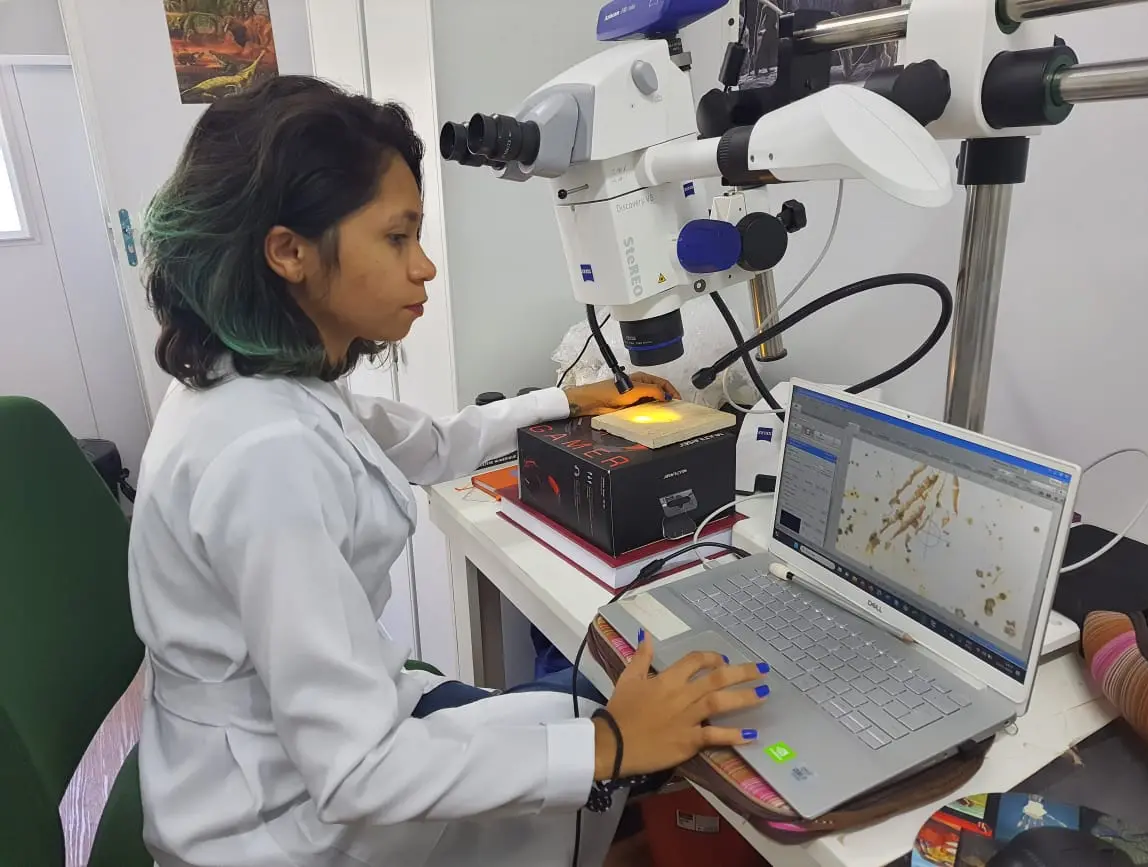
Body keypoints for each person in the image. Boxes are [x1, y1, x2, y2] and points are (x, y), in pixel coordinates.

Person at [129, 75, 770, 867]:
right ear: (289, 252)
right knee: (598, 734)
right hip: (277, 828)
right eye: (397, 238)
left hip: (285, 752)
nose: (425, 266)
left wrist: (566, 401)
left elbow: (427, 444)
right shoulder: (265, 456)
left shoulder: (252, 380)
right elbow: (359, 774)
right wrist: (610, 743)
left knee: (577, 711)